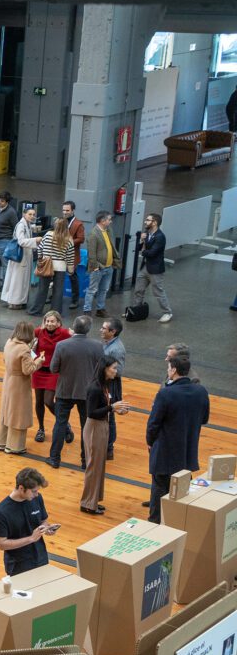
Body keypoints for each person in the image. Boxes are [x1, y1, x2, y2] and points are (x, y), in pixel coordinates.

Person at [146, 355, 210, 523]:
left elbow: (153, 424)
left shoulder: (165, 393)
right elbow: (204, 419)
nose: (167, 371)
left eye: (169, 368)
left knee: (159, 488)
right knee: (183, 489)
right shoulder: (201, 391)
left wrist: (150, 442)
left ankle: (155, 525)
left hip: (165, 451)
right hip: (187, 450)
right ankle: (180, 522)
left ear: (173, 371)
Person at [46, 314, 105, 469]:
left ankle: (54, 459)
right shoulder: (98, 346)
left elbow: (53, 368)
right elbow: (102, 370)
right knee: (86, 426)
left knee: (60, 423)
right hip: (87, 393)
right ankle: (85, 461)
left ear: (74, 326)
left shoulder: (62, 345)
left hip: (65, 390)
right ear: (89, 329)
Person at [81, 357, 130, 515]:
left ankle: (93, 500)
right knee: (94, 466)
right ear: (105, 369)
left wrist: (116, 409)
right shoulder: (95, 388)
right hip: (95, 427)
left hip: (101, 425)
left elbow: (104, 407)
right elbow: (91, 412)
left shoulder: (104, 385)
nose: (116, 371)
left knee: (99, 465)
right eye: (113, 368)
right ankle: (88, 503)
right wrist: (111, 408)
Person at [0, 467, 55, 576]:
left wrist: (46, 528)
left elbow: (43, 521)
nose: (36, 494)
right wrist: (31, 538)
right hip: (19, 566)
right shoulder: (1, 512)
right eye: (34, 491)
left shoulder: (37, 498)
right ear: (21, 488)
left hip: (41, 558)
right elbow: (1, 544)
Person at [0, 321, 44, 455]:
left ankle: (1, 442)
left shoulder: (9, 342)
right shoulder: (24, 349)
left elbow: (5, 361)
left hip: (8, 379)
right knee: (18, 414)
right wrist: (39, 361)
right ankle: (14, 446)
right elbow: (27, 370)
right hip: (19, 384)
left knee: (6, 411)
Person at [31, 311, 71, 443]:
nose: (49, 324)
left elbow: (77, 339)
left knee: (48, 401)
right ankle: (41, 429)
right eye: (47, 321)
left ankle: (64, 423)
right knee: (38, 401)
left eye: (52, 321)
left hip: (53, 372)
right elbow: (27, 342)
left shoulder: (64, 334)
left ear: (58, 323)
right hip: (38, 370)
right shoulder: (38, 332)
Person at [30, 217, 75, 316]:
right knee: (58, 291)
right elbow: (70, 256)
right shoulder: (69, 239)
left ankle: (36, 310)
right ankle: (55, 313)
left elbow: (40, 248)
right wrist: (71, 269)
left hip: (46, 264)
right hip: (60, 267)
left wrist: (40, 259)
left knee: (42, 288)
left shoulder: (48, 235)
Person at [134, 213, 172, 323]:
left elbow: (152, 253)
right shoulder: (146, 233)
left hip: (155, 269)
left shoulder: (160, 236)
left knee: (158, 291)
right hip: (145, 267)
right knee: (138, 289)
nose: (145, 222)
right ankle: (137, 310)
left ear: (154, 222)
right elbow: (138, 248)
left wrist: (143, 250)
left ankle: (167, 312)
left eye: (148, 220)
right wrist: (141, 241)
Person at [83, 211, 121, 317]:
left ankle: (100, 309)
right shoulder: (93, 234)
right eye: (109, 219)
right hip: (98, 268)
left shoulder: (108, 230)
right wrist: (95, 266)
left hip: (109, 266)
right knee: (92, 289)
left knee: (104, 289)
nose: (111, 221)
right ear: (102, 221)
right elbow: (91, 253)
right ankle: (87, 310)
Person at [2, 206, 38, 309]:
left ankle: (19, 300)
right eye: (29, 214)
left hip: (25, 256)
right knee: (17, 280)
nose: (32, 216)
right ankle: (14, 302)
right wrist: (36, 240)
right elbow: (21, 241)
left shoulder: (27, 225)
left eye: (33, 214)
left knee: (21, 280)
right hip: (20, 256)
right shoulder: (21, 225)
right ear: (24, 214)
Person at [100, 317, 126, 459]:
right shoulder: (108, 343)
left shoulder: (116, 349)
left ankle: (109, 448)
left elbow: (119, 371)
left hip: (110, 386)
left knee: (109, 416)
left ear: (113, 331)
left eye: (104, 328)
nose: (101, 330)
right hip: (105, 384)